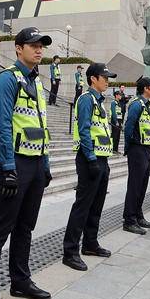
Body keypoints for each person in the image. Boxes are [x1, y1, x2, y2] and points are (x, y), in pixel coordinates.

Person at [0, 27, 53, 299]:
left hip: (35, 164)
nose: (38, 50)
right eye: (33, 45)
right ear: (18, 48)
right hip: (15, 164)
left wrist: (45, 163)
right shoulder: (8, 79)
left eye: (41, 46)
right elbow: (4, 125)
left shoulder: (38, 84)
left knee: (26, 227)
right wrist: (8, 167)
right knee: (0, 230)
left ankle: (20, 281)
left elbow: (42, 126)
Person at [62, 62, 118, 271]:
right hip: (89, 160)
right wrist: (91, 159)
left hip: (102, 159)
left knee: (97, 204)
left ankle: (90, 243)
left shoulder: (99, 101)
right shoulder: (86, 100)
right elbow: (84, 131)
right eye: (104, 77)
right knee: (83, 205)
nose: (107, 81)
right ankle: (70, 251)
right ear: (93, 78)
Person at [122, 76, 150, 234]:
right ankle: (129, 219)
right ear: (146, 89)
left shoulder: (147, 105)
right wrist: (128, 146)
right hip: (136, 148)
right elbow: (129, 125)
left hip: (146, 149)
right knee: (135, 185)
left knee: (142, 184)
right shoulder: (137, 104)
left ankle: (138, 214)